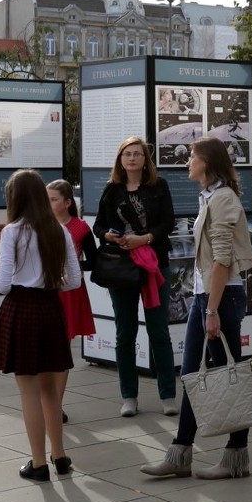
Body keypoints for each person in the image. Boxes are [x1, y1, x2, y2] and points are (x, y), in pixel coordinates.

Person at [141, 136, 252, 480]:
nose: (187, 161)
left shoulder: (221, 198)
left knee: (227, 375)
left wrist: (211, 309)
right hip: (208, 296)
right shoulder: (211, 195)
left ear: (207, 161)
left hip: (220, 297)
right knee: (194, 375)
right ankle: (181, 454)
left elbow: (222, 259)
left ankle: (235, 458)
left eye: (192, 156)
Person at [0, 169, 81, 482]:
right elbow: (75, 281)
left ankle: (38, 463)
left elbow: (2, 285)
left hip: (22, 308)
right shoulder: (59, 230)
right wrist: (50, 282)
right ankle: (60, 456)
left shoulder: (13, 231)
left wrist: (19, 278)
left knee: (28, 391)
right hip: (51, 307)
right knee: (51, 390)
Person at [92, 136, 178, 418]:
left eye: (137, 154)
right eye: (127, 154)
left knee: (158, 331)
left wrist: (146, 238)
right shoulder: (111, 189)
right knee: (125, 331)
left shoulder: (158, 186)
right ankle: (128, 396)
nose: (131, 158)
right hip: (121, 266)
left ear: (145, 159)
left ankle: (168, 395)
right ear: (120, 159)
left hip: (154, 264)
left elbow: (168, 221)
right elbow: (98, 225)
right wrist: (109, 236)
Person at [47, 179, 97, 424]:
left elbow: (94, 262)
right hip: (45, 291)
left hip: (69, 292)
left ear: (67, 203)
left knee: (63, 349)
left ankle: (56, 404)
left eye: (53, 199)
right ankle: (47, 402)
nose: (48, 204)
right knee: (46, 347)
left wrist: (73, 266)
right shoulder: (40, 225)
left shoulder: (80, 228)